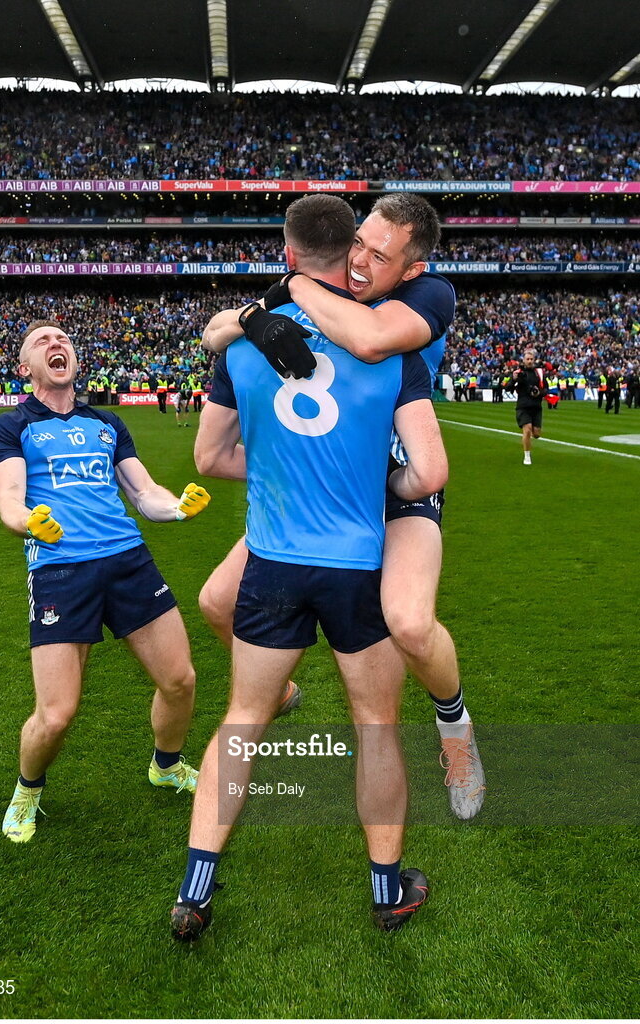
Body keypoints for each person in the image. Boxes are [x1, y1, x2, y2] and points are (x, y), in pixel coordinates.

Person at [172, 194, 448, 942]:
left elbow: (208, 458)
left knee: (242, 721)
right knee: (375, 728)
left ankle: (195, 890)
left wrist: (276, 471)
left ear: (288, 256)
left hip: (274, 562)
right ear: (348, 251)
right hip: (357, 564)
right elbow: (425, 473)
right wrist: (370, 483)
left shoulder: (241, 344)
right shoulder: (392, 350)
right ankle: (387, 890)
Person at [200, 193, 484, 821]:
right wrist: (249, 320)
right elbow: (214, 331)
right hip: (323, 486)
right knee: (217, 602)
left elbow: (372, 339)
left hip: (397, 479)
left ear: (411, 269)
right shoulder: (323, 286)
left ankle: (454, 725)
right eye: (359, 242)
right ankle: (280, 690)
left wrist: (290, 291)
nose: (359, 261)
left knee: (408, 622)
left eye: (379, 256)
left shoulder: (429, 296)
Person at [0, 320, 211, 844]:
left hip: (129, 561)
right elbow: (9, 501)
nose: (56, 344)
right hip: (61, 571)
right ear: (25, 368)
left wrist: (176, 508)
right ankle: (28, 788)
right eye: (42, 341)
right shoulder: (11, 427)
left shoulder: (107, 423)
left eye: (62, 339)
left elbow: (144, 492)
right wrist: (28, 521)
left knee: (181, 682)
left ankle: (167, 765)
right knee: (58, 713)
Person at [512, 348, 546, 465]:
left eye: (531, 359)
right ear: (524, 360)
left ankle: (530, 435)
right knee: (527, 430)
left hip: (536, 407)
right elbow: (508, 387)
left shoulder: (539, 373)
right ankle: (527, 456)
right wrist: (513, 379)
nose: (530, 361)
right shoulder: (519, 373)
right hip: (523, 406)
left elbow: (545, 389)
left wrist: (539, 393)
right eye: (528, 359)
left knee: (536, 433)